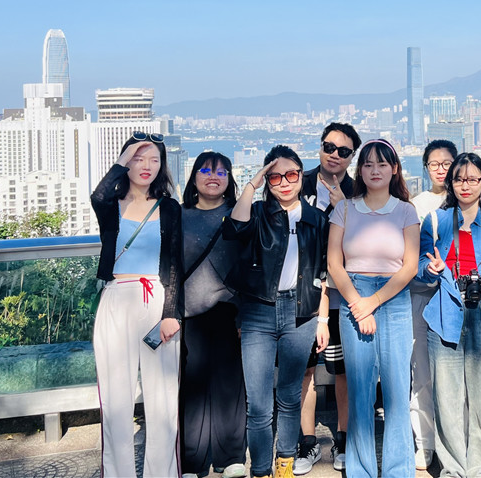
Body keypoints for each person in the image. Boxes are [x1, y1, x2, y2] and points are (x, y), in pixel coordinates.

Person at [224, 146, 331, 478]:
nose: (284, 182)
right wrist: (251, 184)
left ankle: (284, 463)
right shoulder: (257, 214)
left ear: (301, 175)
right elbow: (233, 229)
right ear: (267, 181)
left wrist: (323, 319)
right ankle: (260, 470)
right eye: (275, 177)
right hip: (258, 310)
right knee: (258, 403)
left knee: (289, 396)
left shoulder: (316, 219)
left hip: (301, 313)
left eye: (291, 174)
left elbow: (323, 274)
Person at [419, 152, 481, 478]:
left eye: (472, 179)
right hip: (445, 315)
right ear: (451, 183)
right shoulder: (436, 220)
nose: (465, 185)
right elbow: (420, 263)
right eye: (459, 179)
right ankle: (453, 468)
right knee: (447, 399)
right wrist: (430, 269)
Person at [326, 139, 421, 478]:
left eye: (382, 164)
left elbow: (410, 267)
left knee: (396, 390)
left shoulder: (406, 211)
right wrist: (358, 304)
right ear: (360, 170)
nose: (375, 170)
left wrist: (372, 303)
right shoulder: (345, 209)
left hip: (393, 300)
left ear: (394, 169)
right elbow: (334, 264)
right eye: (368, 164)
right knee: (360, 390)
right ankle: (361, 470)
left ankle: (398, 470)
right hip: (354, 295)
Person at [91, 132, 183, 478]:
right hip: (117, 299)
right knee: (116, 397)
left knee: (163, 399)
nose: (146, 166)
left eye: (154, 159)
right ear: (126, 161)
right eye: (138, 158)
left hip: (157, 300)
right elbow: (98, 194)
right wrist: (123, 156)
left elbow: (175, 264)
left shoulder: (169, 208)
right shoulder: (111, 205)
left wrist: (171, 314)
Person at [179, 152, 246, 478]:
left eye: (221, 172)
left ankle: (230, 456)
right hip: (188, 313)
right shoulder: (179, 216)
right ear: (193, 178)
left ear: (229, 180)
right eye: (205, 170)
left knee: (229, 386)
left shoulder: (238, 214)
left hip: (228, 311)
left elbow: (249, 264)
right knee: (192, 388)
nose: (213, 176)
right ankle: (192, 460)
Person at [300, 122, 361, 472]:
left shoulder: (357, 191)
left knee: (343, 371)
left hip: (342, 295)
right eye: (329, 147)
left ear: (352, 157)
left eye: (343, 151)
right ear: (320, 147)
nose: (334, 155)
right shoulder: (298, 182)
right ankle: (307, 442)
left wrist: (344, 210)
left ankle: (343, 438)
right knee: (305, 369)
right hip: (305, 294)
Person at [409, 138, 458, 470]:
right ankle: (425, 443)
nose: (441, 170)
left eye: (447, 163)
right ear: (426, 167)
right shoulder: (417, 205)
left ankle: (454, 442)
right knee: (422, 373)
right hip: (423, 296)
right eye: (434, 164)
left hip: (458, 299)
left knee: (458, 376)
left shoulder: (469, 200)